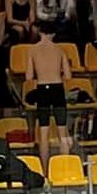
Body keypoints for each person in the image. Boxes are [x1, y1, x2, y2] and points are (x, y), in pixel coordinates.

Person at [25, 21, 71, 171]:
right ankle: (65, 168)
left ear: (40, 32)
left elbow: (29, 76)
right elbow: (68, 76)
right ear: (54, 34)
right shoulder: (59, 50)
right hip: (57, 88)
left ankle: (45, 170)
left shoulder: (33, 50)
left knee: (43, 133)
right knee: (62, 132)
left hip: (42, 88)